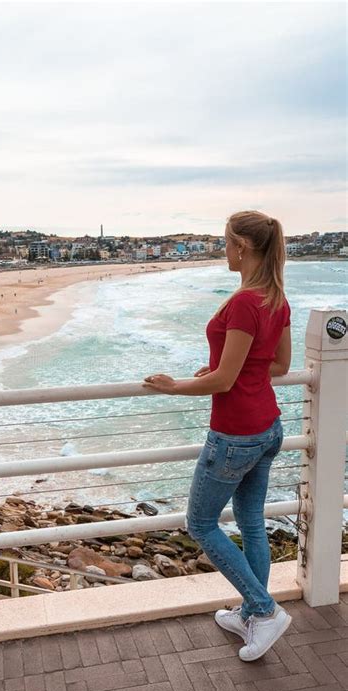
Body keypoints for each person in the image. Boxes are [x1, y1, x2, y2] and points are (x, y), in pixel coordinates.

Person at [143, 210, 292, 662]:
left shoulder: (246, 301)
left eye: (224, 242)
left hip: (236, 433)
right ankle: (251, 613)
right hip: (268, 428)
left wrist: (176, 386)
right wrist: (223, 369)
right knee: (250, 522)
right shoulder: (275, 298)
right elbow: (278, 366)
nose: (222, 250)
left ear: (241, 247)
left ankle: (265, 611)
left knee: (202, 524)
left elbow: (225, 382)